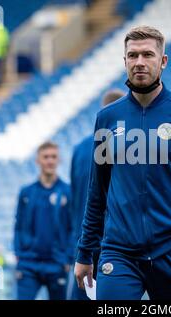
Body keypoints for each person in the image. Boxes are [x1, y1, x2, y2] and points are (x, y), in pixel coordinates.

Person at [74, 25, 171, 300]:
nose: (139, 62)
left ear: (163, 61)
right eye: (133, 55)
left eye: (148, 55)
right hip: (119, 252)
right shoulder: (108, 118)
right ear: (125, 61)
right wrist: (85, 251)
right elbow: (97, 192)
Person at [68, 88, 125, 300]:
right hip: (114, 241)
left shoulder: (79, 149)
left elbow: (75, 198)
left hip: (83, 240)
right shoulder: (128, 147)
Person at [13, 142, 74, 300]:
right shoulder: (26, 193)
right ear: (37, 160)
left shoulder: (68, 192)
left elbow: (73, 228)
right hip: (28, 264)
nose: (50, 161)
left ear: (59, 160)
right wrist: (19, 253)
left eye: (53, 157)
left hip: (57, 264)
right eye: (45, 157)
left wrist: (68, 257)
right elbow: (18, 226)